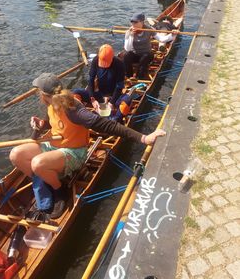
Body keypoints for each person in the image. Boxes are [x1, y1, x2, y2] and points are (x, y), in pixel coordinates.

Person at [9, 73, 166, 219]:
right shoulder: (51, 104)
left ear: (44, 95)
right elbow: (52, 123)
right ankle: (47, 177)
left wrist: (144, 138)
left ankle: (59, 190)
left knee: (37, 163)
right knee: (16, 154)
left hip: (74, 152)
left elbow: (105, 125)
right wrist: (40, 127)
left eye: (39, 93)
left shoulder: (73, 109)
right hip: (54, 147)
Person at [73, 44, 125, 112]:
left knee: (125, 104)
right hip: (100, 94)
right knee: (76, 92)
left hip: (113, 95)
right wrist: (92, 99)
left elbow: (119, 86)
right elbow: (91, 79)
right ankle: (81, 112)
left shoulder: (119, 64)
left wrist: (111, 102)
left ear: (112, 58)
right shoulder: (96, 60)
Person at [123, 13, 154, 79]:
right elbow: (127, 49)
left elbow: (162, 39)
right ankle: (129, 76)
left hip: (147, 55)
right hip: (136, 55)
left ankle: (139, 77)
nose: (133, 24)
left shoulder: (149, 29)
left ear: (142, 22)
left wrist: (173, 34)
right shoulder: (129, 31)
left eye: (135, 22)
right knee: (126, 55)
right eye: (132, 22)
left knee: (145, 57)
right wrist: (131, 35)